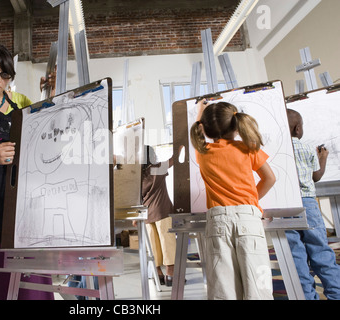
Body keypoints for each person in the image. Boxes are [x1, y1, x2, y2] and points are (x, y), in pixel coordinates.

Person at [0, 42, 53, 300]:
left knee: (30, 291)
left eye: (5, 75)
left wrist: (51, 92)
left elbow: (46, 131)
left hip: (19, 210)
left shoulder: (20, 102)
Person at [190, 99, 276, 300]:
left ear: (206, 128)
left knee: (223, 290)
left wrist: (199, 111)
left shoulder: (203, 152)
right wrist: (251, 200)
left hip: (218, 222)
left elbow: (197, 134)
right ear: (236, 125)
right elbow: (269, 178)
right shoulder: (248, 148)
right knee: (258, 288)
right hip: (249, 219)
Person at [285, 109, 340, 300]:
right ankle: (336, 293)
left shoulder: (277, 149)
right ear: (297, 128)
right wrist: (322, 158)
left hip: (285, 205)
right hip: (307, 204)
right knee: (319, 249)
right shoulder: (307, 148)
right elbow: (315, 177)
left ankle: (307, 296)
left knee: (296, 254)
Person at [136, 145, 176, 286]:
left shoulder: (137, 176)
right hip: (162, 211)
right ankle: (170, 275)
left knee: (153, 245)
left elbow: (136, 198)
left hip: (147, 214)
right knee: (167, 242)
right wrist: (181, 145)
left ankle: (158, 274)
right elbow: (173, 160)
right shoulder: (156, 169)